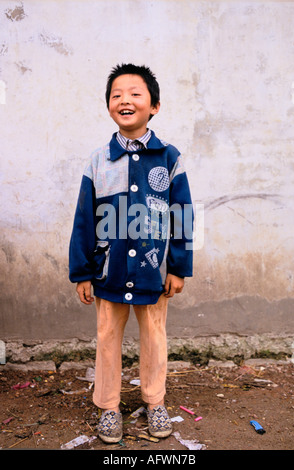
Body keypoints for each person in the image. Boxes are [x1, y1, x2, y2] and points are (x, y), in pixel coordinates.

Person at [69, 63, 193, 443]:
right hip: (108, 270)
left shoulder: (169, 158)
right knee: (107, 335)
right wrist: (82, 272)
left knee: (154, 335)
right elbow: (84, 220)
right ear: (109, 105)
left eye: (135, 93)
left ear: (154, 105)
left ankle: (154, 401)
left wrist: (178, 268)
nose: (125, 100)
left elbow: (182, 215)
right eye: (116, 95)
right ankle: (108, 406)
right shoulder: (98, 161)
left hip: (153, 273)